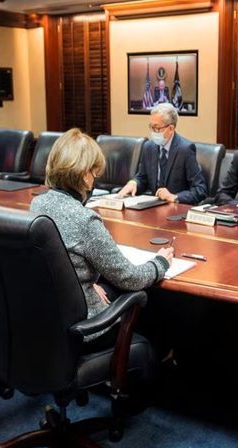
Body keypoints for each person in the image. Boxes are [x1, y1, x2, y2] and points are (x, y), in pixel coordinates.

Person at [30, 128, 174, 350]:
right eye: (95, 173)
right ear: (86, 175)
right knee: (148, 321)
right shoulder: (85, 220)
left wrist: (82, 284)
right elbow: (130, 278)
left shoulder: (38, 204)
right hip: (85, 330)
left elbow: (57, 260)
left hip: (47, 317)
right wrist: (160, 263)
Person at [117, 103, 207, 204]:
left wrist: (175, 197)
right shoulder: (148, 147)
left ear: (171, 129)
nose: (154, 132)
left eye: (157, 128)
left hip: (176, 210)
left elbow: (200, 189)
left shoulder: (185, 150)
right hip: (153, 208)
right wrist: (134, 183)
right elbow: (143, 178)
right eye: (151, 127)